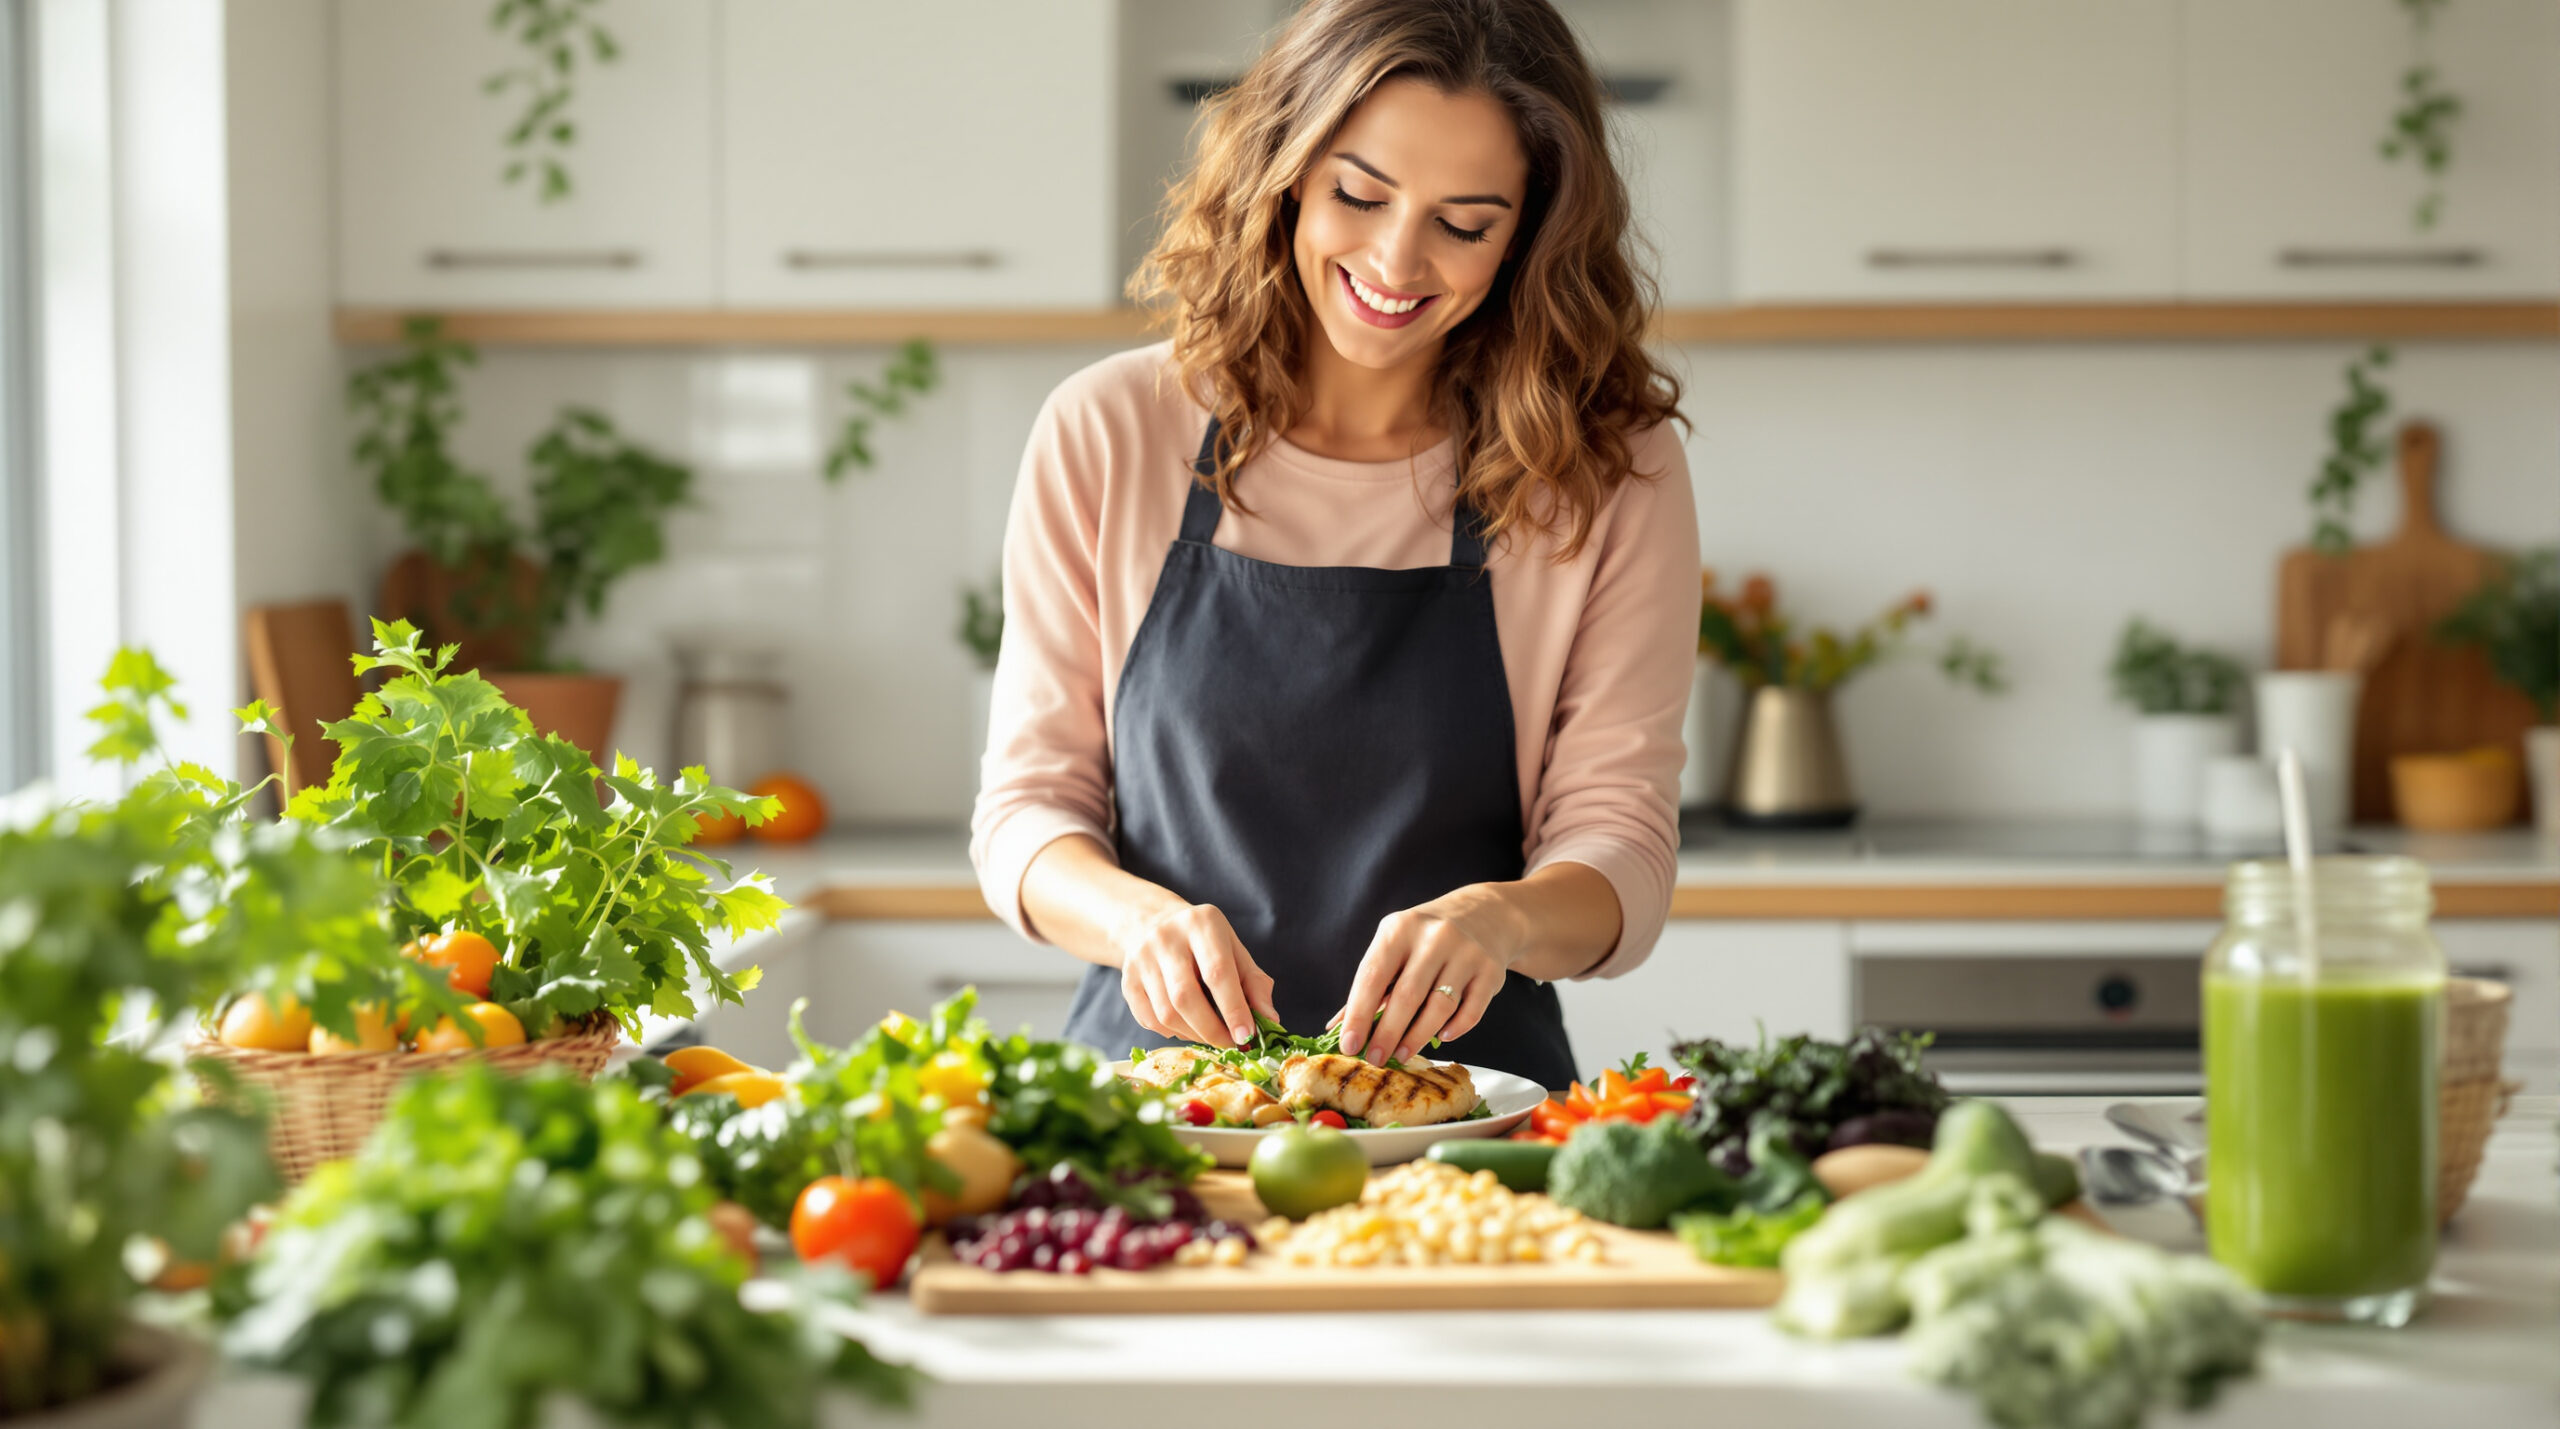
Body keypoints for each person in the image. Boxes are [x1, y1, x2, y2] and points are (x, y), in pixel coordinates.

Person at [969, 0, 1696, 1090]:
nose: (1396, 261)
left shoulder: (1603, 465)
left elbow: (1620, 843)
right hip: (1160, 1113)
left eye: (1466, 222)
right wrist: (1139, 924)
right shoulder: (1110, 430)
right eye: (1360, 193)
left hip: (1471, 1119)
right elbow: (1028, 812)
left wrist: (1500, 921)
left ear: (1529, 235)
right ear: (1286, 171)